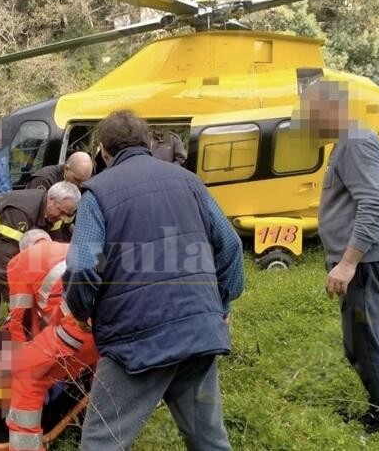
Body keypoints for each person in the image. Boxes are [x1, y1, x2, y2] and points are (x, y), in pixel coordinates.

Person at [64, 110, 244, 450]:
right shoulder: (189, 181)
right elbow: (231, 244)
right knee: (208, 438)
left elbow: (82, 266)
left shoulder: (97, 192)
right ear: (148, 143)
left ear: (103, 151)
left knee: (101, 443)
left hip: (136, 341)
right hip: (199, 329)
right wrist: (221, 303)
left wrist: (80, 312)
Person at [301, 80, 379, 433]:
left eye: (310, 115)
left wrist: (347, 263)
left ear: (329, 109)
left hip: (365, 264)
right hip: (367, 261)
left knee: (362, 344)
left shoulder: (356, 143)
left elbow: (374, 203)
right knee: (367, 339)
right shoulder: (348, 142)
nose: (307, 123)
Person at [5, 229, 98, 451]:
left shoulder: (21, 261)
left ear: (25, 248)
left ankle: (25, 446)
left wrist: (21, 357)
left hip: (78, 331)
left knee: (27, 377)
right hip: (109, 329)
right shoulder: (70, 248)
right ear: (46, 240)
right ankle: (93, 421)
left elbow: (21, 319)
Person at [0, 182, 80, 341]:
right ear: (51, 200)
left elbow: (53, 251)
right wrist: (16, 298)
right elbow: (5, 262)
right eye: (61, 211)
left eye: (68, 214)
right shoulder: (22, 212)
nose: (63, 217)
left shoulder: (56, 213)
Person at [26, 151, 93, 191]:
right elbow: (32, 207)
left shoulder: (83, 184)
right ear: (66, 169)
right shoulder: (44, 180)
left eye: (84, 181)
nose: (81, 185)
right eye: (77, 179)